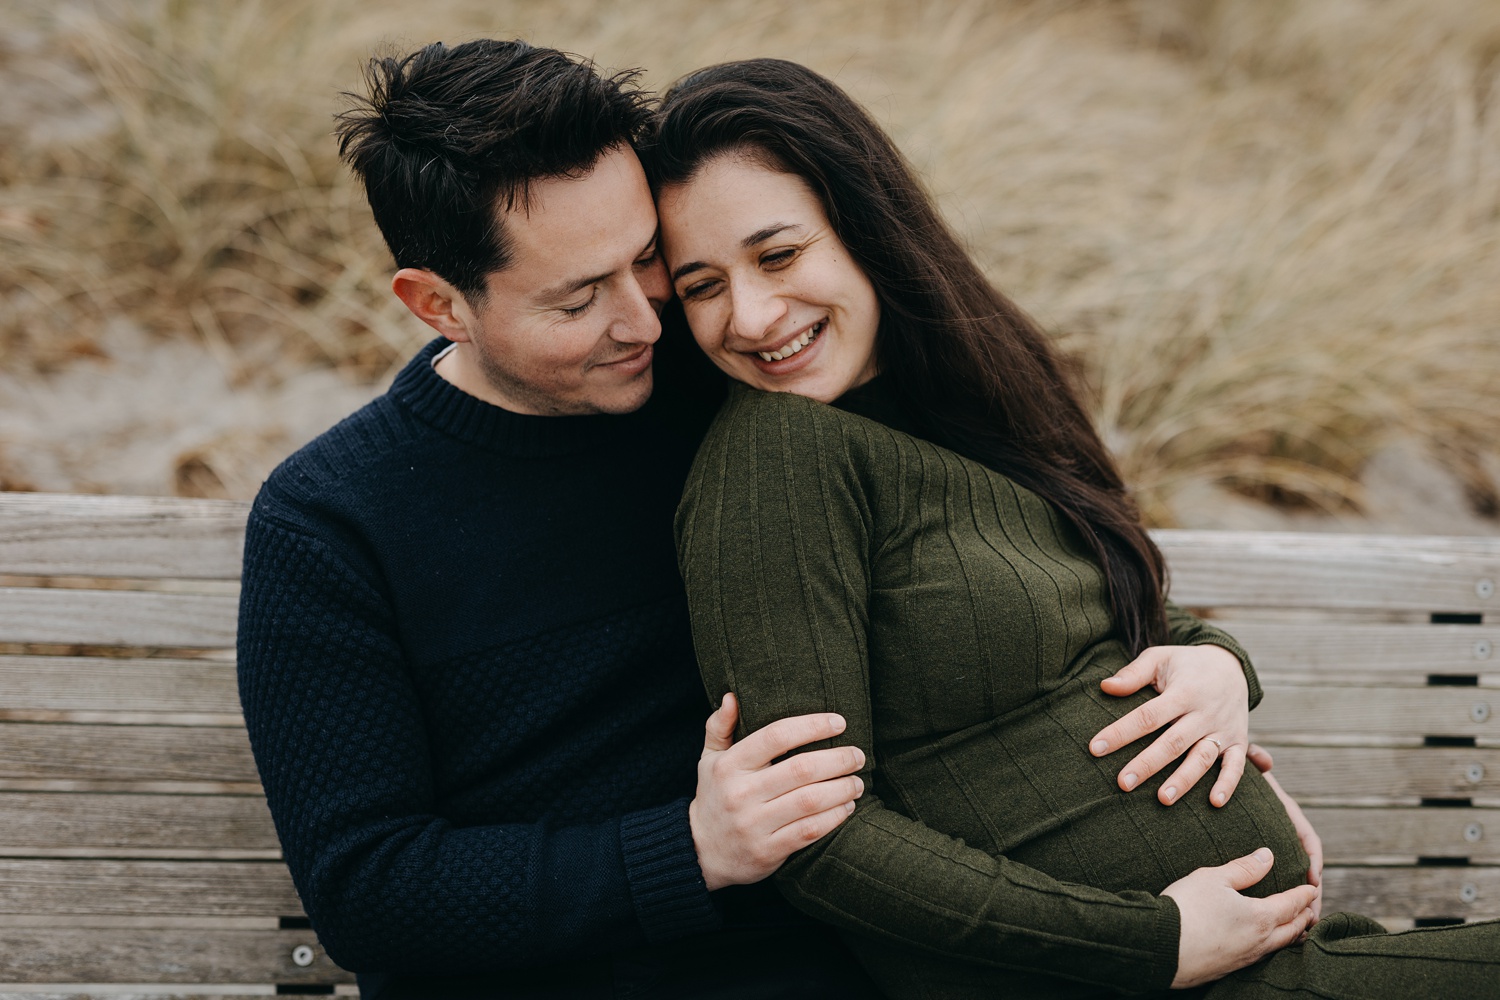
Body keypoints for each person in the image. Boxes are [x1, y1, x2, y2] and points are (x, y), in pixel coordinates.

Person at [238, 38, 1280, 1000]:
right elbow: (369, 888)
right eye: (577, 298)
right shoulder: (329, 524)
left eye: (648, 259)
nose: (644, 320)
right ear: (435, 303)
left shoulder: (732, 384)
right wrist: (686, 848)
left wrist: (1208, 662)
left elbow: (999, 559)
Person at [652, 58, 1500, 999]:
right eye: (701, 286)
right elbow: (817, 842)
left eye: (777, 256)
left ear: (866, 229)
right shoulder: (775, 458)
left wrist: (1218, 665)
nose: (752, 316)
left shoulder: (960, 405)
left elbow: (1102, 605)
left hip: (1278, 958)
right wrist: (1151, 942)